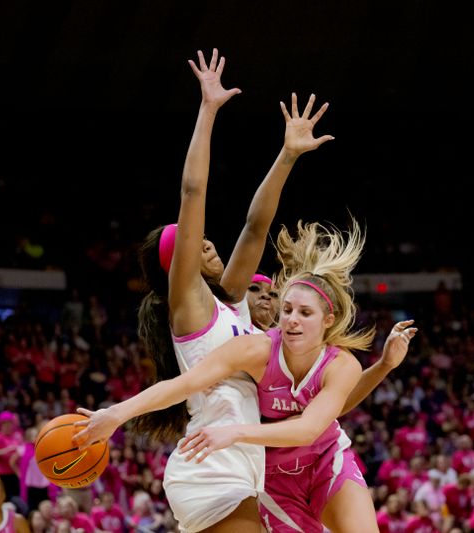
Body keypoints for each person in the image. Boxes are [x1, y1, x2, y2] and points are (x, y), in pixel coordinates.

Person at [107, 48, 335, 533]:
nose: (205, 242)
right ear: (180, 265)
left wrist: (288, 155)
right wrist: (207, 112)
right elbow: (193, 193)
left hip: (239, 457)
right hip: (212, 465)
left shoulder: (231, 299)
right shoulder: (188, 305)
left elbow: (256, 226)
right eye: (190, 243)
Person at [76, 220, 417, 533]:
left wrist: (235, 432)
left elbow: (312, 426)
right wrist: (116, 413)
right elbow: (183, 384)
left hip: (325, 457)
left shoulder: (342, 363)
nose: (291, 320)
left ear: (328, 320)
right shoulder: (254, 350)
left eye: (304, 313)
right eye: (286, 310)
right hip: (273, 478)